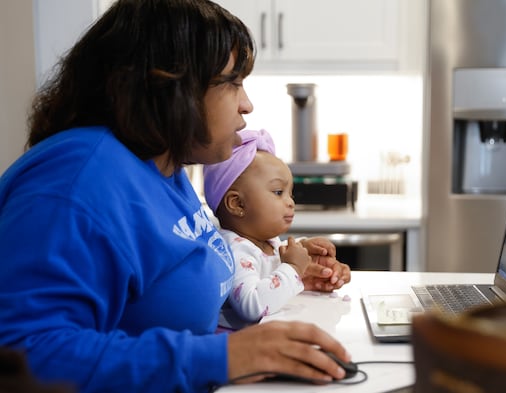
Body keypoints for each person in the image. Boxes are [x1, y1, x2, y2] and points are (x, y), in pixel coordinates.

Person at [0, 1, 353, 392]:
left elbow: (175, 296)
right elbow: (22, 356)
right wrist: (226, 357)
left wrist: (287, 276)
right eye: (232, 83)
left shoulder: (165, 169)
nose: (246, 104)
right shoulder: (76, 180)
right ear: (170, 85)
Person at [203, 129, 350, 327]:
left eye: (290, 194)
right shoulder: (235, 250)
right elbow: (252, 305)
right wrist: (293, 268)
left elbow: (269, 264)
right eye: (278, 192)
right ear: (237, 204)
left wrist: (302, 248)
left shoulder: (264, 241)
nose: (290, 202)